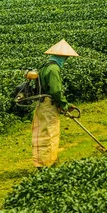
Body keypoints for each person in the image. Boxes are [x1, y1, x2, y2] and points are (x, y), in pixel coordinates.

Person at [32, 39, 79, 170]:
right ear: (61, 57)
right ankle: (48, 164)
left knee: (41, 133)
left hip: (41, 104)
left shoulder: (44, 66)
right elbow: (56, 90)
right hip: (48, 105)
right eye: (66, 58)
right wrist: (64, 104)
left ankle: (40, 162)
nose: (66, 60)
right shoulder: (54, 69)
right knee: (50, 133)